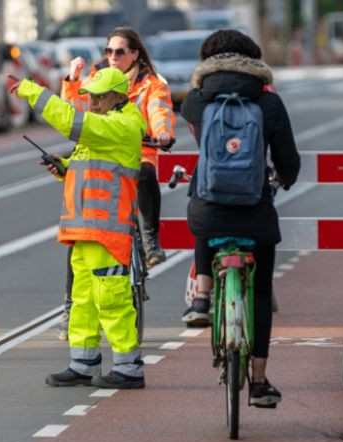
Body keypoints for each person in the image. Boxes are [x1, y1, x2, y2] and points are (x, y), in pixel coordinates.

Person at [179, 29, 300, 407]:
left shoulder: (196, 102)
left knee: (202, 209)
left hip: (209, 212)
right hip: (255, 212)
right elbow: (288, 162)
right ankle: (260, 383)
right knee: (260, 291)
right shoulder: (269, 103)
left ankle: (202, 295)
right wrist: (282, 179)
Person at [8, 67, 148, 389]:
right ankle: (83, 362)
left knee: (112, 299)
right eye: (91, 97)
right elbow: (93, 167)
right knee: (83, 299)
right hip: (86, 229)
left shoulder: (122, 125)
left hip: (107, 232)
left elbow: (71, 122)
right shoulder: (106, 127)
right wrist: (65, 167)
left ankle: (129, 367)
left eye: (99, 97)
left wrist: (32, 91)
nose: (93, 103)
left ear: (118, 97)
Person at [57, 26, 175, 338]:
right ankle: (69, 306)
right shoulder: (97, 78)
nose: (112, 57)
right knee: (80, 232)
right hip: (101, 158)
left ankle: (150, 235)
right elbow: (77, 114)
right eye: (108, 51)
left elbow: (159, 109)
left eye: (119, 52)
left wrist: (162, 132)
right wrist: (71, 82)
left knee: (147, 172)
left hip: (136, 154)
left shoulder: (151, 84)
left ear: (135, 54)